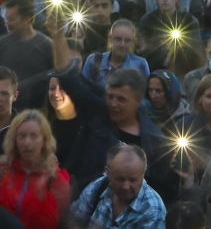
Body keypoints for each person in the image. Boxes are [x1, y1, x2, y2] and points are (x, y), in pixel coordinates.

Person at [49, 16, 179, 204]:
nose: (113, 104)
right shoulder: (99, 111)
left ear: (137, 100)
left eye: (121, 99)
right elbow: (68, 78)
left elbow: (163, 190)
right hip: (85, 203)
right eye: (110, 97)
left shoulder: (154, 139)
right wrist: (57, 35)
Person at [0, 110, 71, 229]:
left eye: (34, 136)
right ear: (14, 140)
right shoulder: (0, 171)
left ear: (44, 140)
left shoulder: (56, 179)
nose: (27, 143)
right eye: (22, 136)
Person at [70, 145, 166, 229]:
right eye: (120, 179)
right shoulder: (99, 187)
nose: (126, 186)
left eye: (133, 180)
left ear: (143, 173)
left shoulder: (152, 210)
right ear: (108, 172)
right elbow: (73, 220)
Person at [0, 0, 54, 111]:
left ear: (27, 20)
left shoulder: (46, 45)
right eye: (7, 18)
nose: (6, 23)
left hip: (37, 111)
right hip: (6, 110)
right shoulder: (0, 44)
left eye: (12, 19)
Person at [138, 0, 202, 75]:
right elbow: (141, 50)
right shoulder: (147, 20)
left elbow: (197, 49)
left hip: (183, 68)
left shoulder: (189, 20)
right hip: (153, 68)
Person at [82, 19, 151, 89]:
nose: (122, 44)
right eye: (118, 39)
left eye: (127, 40)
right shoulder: (94, 60)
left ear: (133, 41)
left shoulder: (141, 64)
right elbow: (83, 90)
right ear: (110, 38)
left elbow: (145, 95)